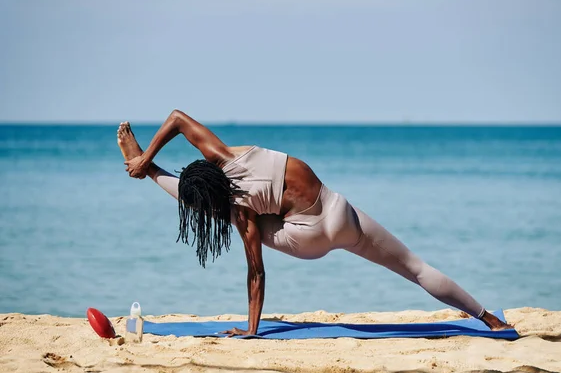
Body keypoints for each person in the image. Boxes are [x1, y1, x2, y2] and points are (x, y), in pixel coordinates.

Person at [117, 110, 513, 337]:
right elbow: (176, 118)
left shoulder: (239, 210)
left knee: (218, 211)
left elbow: (256, 272)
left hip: (307, 240)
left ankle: (151, 172)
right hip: (339, 212)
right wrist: (148, 148)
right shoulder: (222, 152)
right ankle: (487, 318)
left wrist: (252, 331)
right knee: (414, 267)